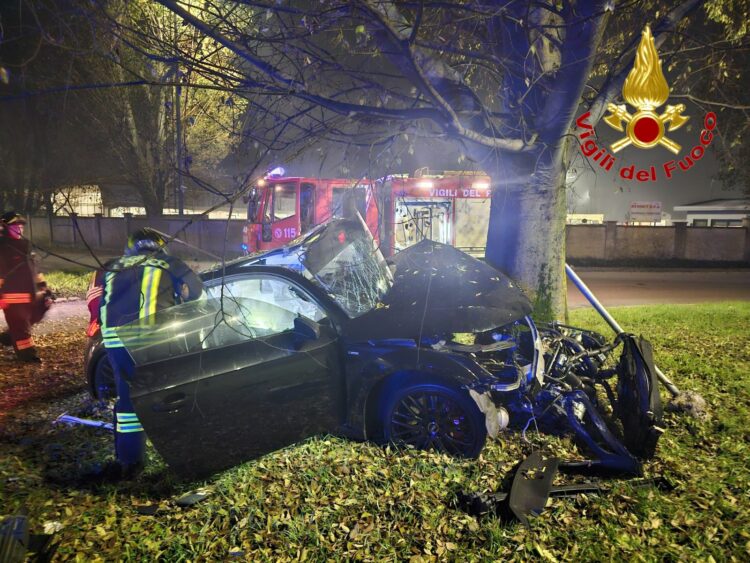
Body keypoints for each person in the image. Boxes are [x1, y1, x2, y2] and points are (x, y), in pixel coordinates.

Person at [96, 227, 203, 479]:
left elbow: (99, 301)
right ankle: (176, 450)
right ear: (160, 247)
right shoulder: (170, 263)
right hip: (155, 338)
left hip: (116, 340)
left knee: (127, 397)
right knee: (164, 393)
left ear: (131, 247)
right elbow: (197, 293)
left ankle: (129, 461)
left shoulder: (112, 266)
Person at [0, 211, 53, 363]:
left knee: (41, 308)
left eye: (21, 226)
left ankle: (8, 337)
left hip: (31, 294)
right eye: (15, 226)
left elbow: (35, 270)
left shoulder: (25, 246)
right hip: (12, 297)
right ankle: (28, 357)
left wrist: (44, 288)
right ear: (5, 228)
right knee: (21, 327)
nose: (19, 229)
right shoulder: (2, 248)